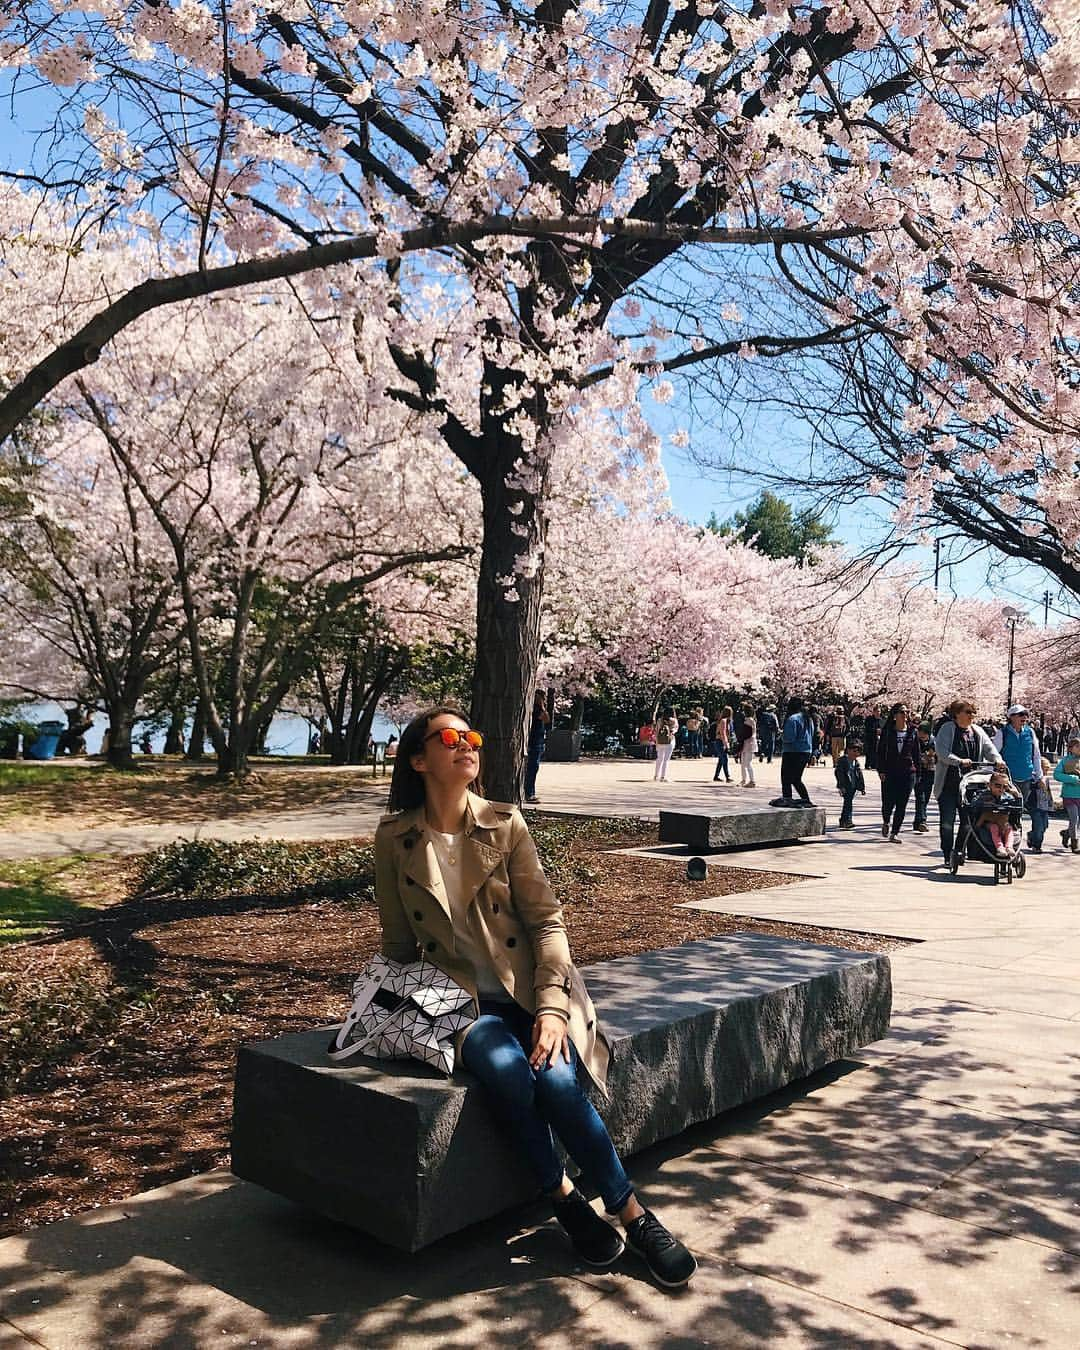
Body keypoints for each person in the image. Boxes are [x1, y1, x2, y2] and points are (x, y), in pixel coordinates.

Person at [374, 706, 696, 1286]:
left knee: (556, 1080)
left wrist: (551, 1010)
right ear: (419, 759)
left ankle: (630, 1212)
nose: (467, 745)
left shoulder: (504, 822)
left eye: (472, 735)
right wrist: (395, 1017)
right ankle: (565, 1196)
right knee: (506, 1071)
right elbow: (397, 945)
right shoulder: (395, 839)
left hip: (532, 990)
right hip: (460, 1003)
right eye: (450, 738)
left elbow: (547, 923)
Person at [933, 699, 1003, 863]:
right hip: (949, 784)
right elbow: (942, 752)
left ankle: (958, 851)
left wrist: (998, 760)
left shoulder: (977, 731)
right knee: (947, 823)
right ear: (957, 714)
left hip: (971, 785)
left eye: (973, 712)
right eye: (968, 712)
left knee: (968, 822)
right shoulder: (947, 729)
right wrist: (959, 761)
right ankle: (947, 853)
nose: (972, 715)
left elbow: (989, 749)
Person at [993, 705, 1046, 853]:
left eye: (1025, 714)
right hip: (1008, 780)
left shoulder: (1030, 732)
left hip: (1027, 778)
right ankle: (1004, 841)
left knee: (1018, 811)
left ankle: (1014, 841)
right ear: (1011, 717)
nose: (1024, 717)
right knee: (1007, 810)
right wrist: (992, 775)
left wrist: (1039, 775)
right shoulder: (1002, 733)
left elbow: (1036, 755)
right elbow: (994, 754)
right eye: (1020, 714)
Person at [875, 702, 919, 842]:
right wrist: (881, 770)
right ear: (895, 715)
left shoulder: (913, 731)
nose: (905, 715)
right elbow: (880, 752)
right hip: (890, 771)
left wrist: (918, 772)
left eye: (906, 712)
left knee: (902, 803)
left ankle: (895, 832)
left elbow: (916, 753)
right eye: (902, 712)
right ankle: (886, 820)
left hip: (908, 772)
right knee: (888, 802)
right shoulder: (888, 731)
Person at [972, 771, 1023, 859]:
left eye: (1005, 787)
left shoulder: (1008, 797)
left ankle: (1009, 847)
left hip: (1003, 823)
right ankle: (1000, 847)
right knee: (994, 827)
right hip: (987, 823)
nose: (1001, 789)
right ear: (990, 785)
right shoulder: (983, 796)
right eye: (998, 786)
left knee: (1009, 828)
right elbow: (974, 804)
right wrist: (984, 803)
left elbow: (1018, 808)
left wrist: (1017, 796)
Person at [778, 697, 814, 806]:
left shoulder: (792, 719)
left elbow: (790, 738)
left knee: (786, 778)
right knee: (796, 778)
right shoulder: (808, 719)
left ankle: (787, 798)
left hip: (792, 751)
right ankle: (806, 799)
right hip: (806, 750)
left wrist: (781, 735)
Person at [1054, 737, 1080, 852]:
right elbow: (1057, 775)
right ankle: (1074, 845)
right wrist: (1072, 779)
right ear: (1070, 748)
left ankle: (1066, 833)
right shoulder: (1065, 761)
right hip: (1069, 795)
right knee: (1074, 819)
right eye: (1077, 746)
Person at [524, 691, 550, 804]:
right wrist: (542, 706)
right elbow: (546, 718)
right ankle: (529, 793)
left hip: (538, 742)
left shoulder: (536, 709)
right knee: (532, 768)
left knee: (533, 768)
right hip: (533, 743)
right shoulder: (535, 709)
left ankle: (529, 792)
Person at [912, 722, 937, 833]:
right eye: (919, 733)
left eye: (923, 734)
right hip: (918, 771)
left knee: (925, 797)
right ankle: (922, 820)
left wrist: (933, 755)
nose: (921, 736)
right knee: (920, 797)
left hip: (930, 772)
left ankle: (917, 822)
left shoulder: (934, 742)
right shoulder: (914, 741)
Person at [835, 740, 866, 828]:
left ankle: (843, 820)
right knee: (848, 803)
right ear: (848, 750)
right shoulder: (843, 761)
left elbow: (860, 776)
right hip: (846, 786)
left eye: (858, 751)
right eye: (854, 751)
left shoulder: (856, 763)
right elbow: (839, 774)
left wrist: (862, 787)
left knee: (848, 803)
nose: (856, 753)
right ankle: (848, 820)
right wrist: (841, 786)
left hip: (853, 786)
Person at [653, 706, 678, 782]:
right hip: (669, 741)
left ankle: (656, 775)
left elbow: (656, 731)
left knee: (659, 759)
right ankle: (663, 777)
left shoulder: (660, 720)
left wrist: (656, 742)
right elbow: (675, 730)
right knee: (666, 760)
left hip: (660, 741)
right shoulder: (674, 720)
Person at [712, 705, 733, 783]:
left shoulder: (725, 721)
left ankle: (716, 776)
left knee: (721, 760)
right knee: (725, 759)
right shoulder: (723, 721)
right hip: (720, 741)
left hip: (721, 741)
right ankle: (728, 776)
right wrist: (726, 744)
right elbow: (723, 733)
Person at [737, 712, 757, 787]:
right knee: (743, 763)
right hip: (745, 744)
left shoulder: (750, 720)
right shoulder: (747, 720)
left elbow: (748, 733)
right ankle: (743, 780)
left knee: (748, 763)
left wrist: (741, 738)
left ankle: (752, 781)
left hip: (749, 744)